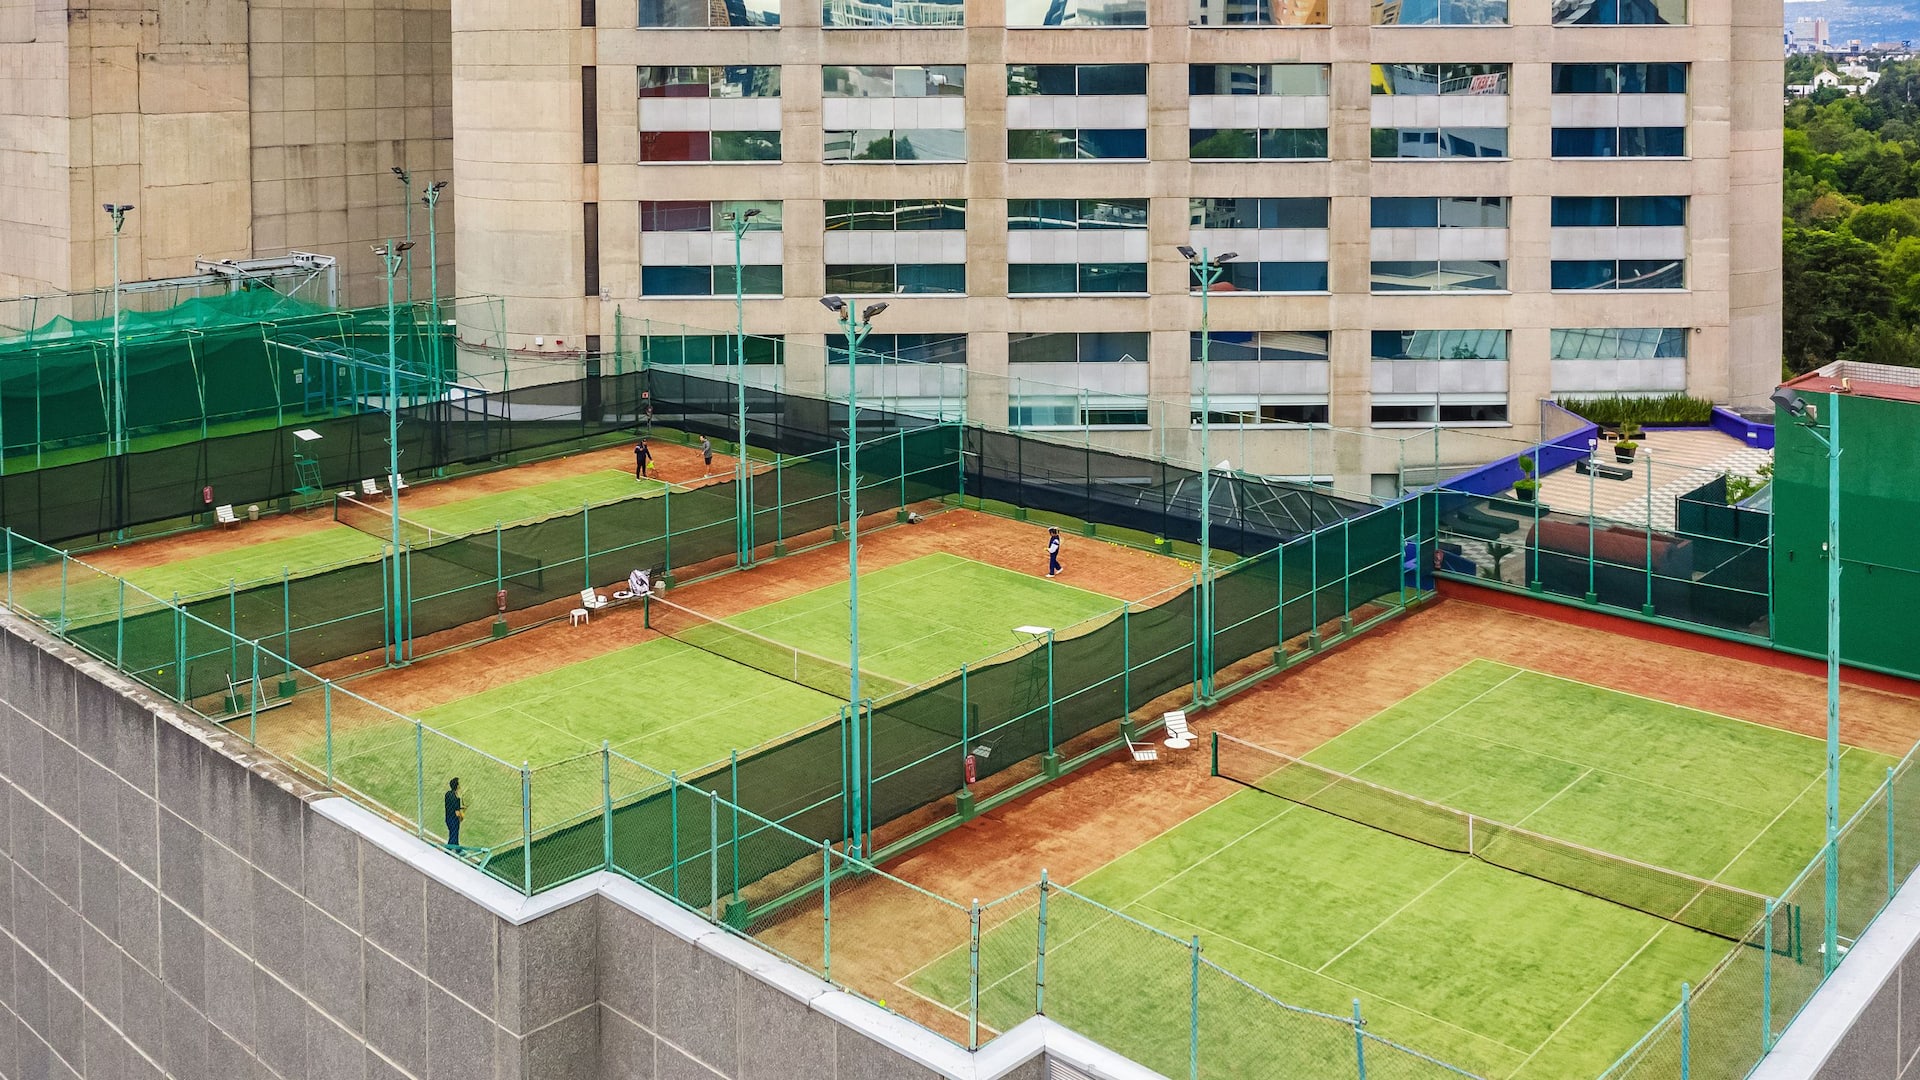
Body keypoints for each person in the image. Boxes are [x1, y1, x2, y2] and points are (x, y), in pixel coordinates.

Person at [444, 778, 465, 850]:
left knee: (454, 834)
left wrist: (461, 808)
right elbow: (457, 813)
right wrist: (461, 817)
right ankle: (447, 851)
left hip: (448, 819)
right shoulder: (457, 798)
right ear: (457, 786)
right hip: (454, 821)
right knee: (453, 837)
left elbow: (451, 806)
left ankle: (458, 849)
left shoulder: (447, 794)